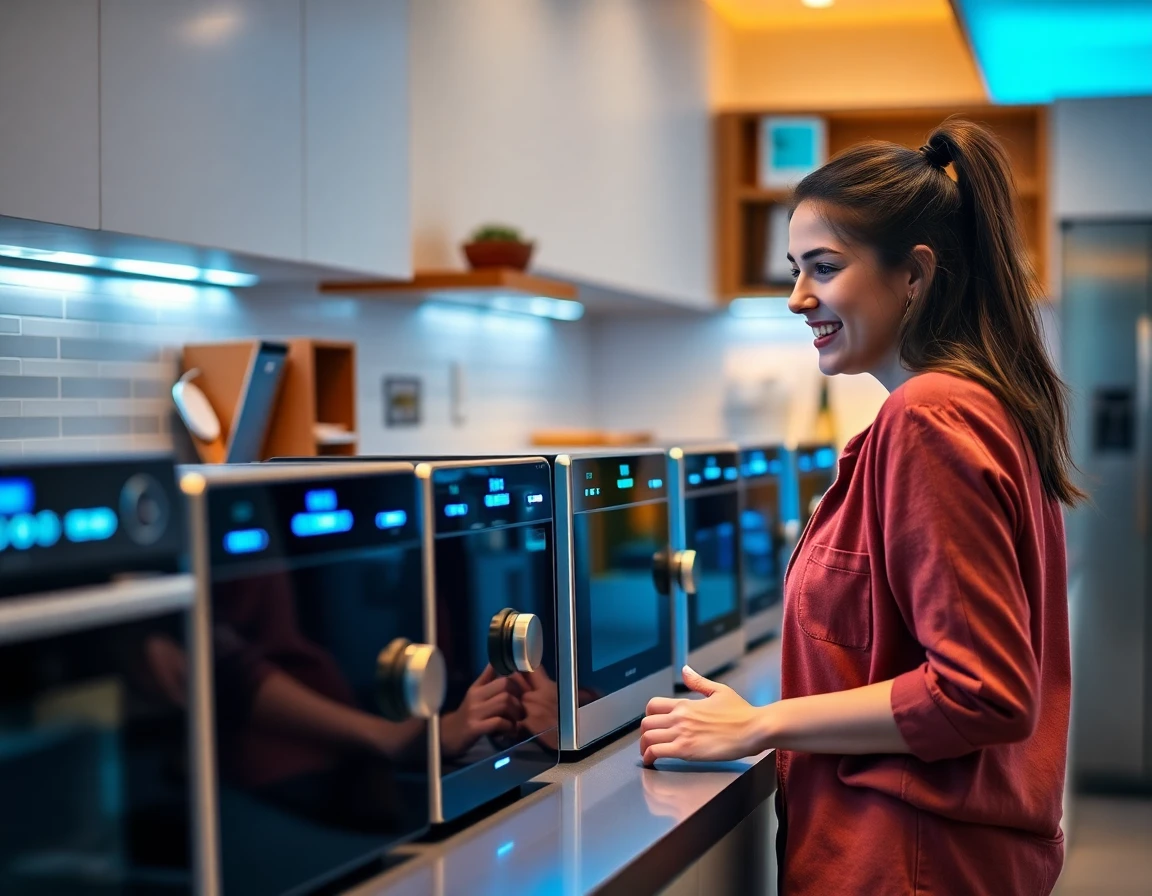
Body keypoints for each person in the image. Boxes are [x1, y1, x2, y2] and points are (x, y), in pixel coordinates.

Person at [641, 118, 1079, 894]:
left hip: (911, 863)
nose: (797, 298)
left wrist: (761, 723)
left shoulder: (930, 417)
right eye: (795, 269)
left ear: (914, 274)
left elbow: (980, 693)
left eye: (825, 267)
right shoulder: (959, 409)